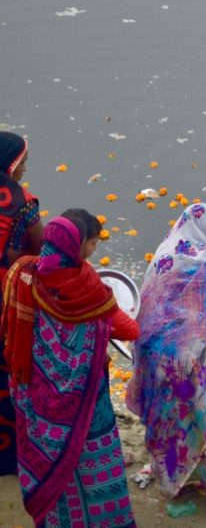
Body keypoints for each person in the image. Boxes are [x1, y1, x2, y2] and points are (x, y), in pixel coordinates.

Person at [1, 212, 139, 527]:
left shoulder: (20, 274)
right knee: (91, 461)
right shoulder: (86, 286)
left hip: (37, 400)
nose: (92, 250)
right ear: (77, 246)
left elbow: (10, 329)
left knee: (53, 466)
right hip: (86, 401)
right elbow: (128, 330)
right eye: (91, 244)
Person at [125, 203, 206, 509]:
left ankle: (173, 480)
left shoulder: (163, 255)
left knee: (172, 421)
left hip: (159, 359)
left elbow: (145, 308)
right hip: (197, 361)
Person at [0, 132, 43, 477]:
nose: (25, 168)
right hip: (8, 297)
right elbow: (41, 248)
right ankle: (11, 456)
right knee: (10, 366)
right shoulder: (22, 201)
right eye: (22, 161)